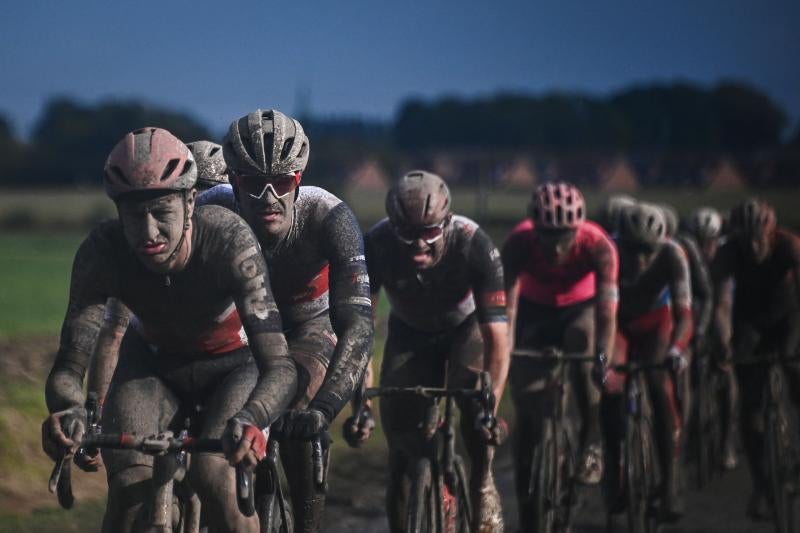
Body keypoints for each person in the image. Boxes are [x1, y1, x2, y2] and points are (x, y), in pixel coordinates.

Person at [41, 127, 298, 532]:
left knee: (215, 478)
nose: (148, 233)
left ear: (190, 200)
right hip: (152, 367)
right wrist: (68, 410)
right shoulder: (102, 253)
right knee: (128, 488)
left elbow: (280, 366)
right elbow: (69, 365)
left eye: (162, 212)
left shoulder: (230, 242)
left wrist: (253, 416)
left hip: (233, 368)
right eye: (133, 215)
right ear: (116, 212)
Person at [201, 109, 374, 532]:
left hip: (309, 329)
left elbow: (358, 325)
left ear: (298, 180)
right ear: (233, 182)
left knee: (296, 407)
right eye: (252, 184)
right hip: (244, 334)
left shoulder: (328, 215)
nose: (267, 198)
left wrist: (325, 409)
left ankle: (307, 525)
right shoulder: (210, 211)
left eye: (281, 183)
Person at [360, 170, 509, 533]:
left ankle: (482, 481)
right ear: (392, 226)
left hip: (466, 327)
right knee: (400, 456)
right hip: (409, 332)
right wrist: (361, 405)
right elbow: (360, 335)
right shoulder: (376, 245)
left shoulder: (474, 244)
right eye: (407, 233)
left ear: (448, 221)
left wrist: (491, 408)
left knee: (473, 402)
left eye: (430, 232)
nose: (419, 244)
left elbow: (498, 342)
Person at [501, 181, 618, 528]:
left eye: (564, 237)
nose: (555, 247)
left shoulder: (599, 245)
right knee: (527, 404)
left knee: (583, 348)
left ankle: (591, 438)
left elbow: (607, 312)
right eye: (547, 236)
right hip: (534, 310)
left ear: (578, 229)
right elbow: (506, 310)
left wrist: (603, 359)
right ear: (533, 230)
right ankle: (526, 483)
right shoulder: (518, 243)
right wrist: (505, 353)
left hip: (580, 308)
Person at [87, 140, 232, 404]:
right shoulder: (144, 257)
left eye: (213, 202)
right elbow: (114, 334)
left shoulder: (240, 246)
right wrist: (96, 414)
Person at [603, 202, 693, 521]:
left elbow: (684, 314)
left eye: (647, 252)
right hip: (617, 324)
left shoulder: (673, 254)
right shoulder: (608, 250)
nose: (639, 261)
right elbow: (597, 312)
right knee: (611, 385)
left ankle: (670, 481)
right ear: (620, 242)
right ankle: (613, 472)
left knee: (658, 384)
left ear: (660, 244)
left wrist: (677, 349)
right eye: (632, 251)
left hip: (657, 323)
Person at [711, 198, 800, 519]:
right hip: (749, 322)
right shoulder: (728, 252)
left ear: (771, 233)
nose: (752, 246)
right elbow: (722, 305)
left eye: (758, 239)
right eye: (745, 239)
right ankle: (762, 483)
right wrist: (724, 342)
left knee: (793, 368)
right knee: (750, 408)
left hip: (787, 318)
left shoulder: (790, 246)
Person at [684, 206, 738, 469]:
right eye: (699, 242)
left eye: (710, 242)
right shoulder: (684, 257)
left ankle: (727, 439)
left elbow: (723, 305)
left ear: (718, 240)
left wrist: (724, 343)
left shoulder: (725, 259)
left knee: (727, 376)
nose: (705, 249)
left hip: (720, 316)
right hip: (693, 317)